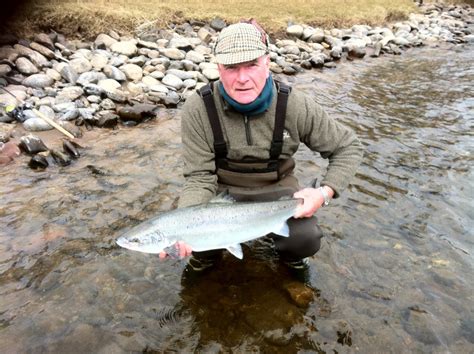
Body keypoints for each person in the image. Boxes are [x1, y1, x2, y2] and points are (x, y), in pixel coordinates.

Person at [161, 20, 363, 277]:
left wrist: (324, 192)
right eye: (232, 67)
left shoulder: (295, 105)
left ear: (267, 63)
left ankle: (293, 261)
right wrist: (183, 225)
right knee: (193, 238)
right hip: (222, 194)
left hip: (277, 192)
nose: (243, 78)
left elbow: (348, 147)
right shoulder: (198, 109)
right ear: (218, 68)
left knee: (306, 239)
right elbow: (199, 178)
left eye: (252, 65)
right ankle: (204, 256)